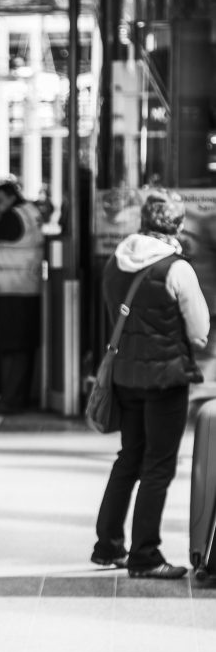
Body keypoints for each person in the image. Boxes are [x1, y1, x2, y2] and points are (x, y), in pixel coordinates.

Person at [92, 187, 209, 579]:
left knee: (129, 457)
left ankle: (107, 545)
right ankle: (145, 555)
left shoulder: (116, 261)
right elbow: (199, 332)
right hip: (166, 380)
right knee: (158, 466)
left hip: (126, 375)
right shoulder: (177, 269)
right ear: (177, 225)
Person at [0, 180, 45, 414]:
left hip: (10, 290)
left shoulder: (13, 217)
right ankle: (19, 396)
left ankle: (10, 399)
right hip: (27, 287)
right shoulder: (31, 212)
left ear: (10, 197)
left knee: (11, 348)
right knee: (22, 347)